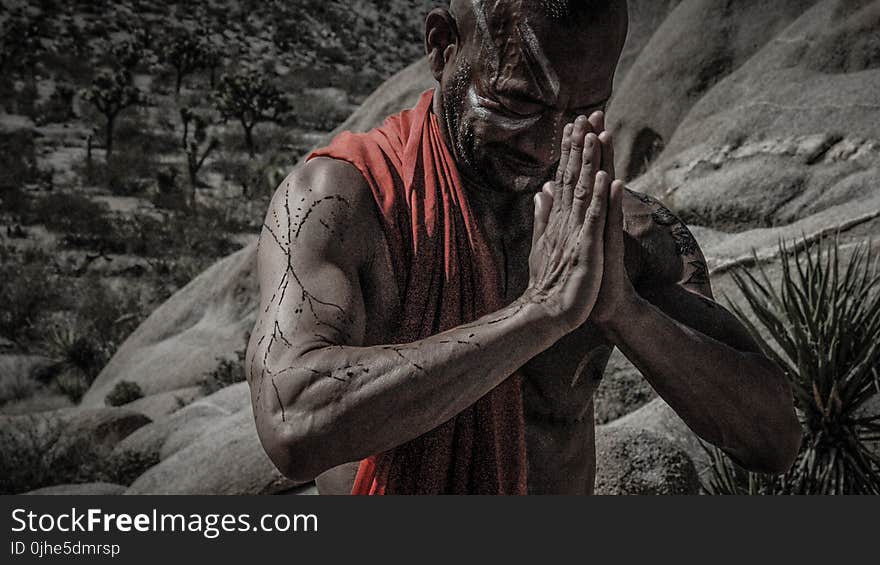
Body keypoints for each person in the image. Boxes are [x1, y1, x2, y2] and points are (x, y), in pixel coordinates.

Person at [246, 0, 802, 494]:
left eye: (581, 113)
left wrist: (621, 310)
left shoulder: (618, 230)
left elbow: (773, 441)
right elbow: (293, 423)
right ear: (442, 47)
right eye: (517, 103)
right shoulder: (344, 202)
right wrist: (539, 317)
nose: (545, 145)